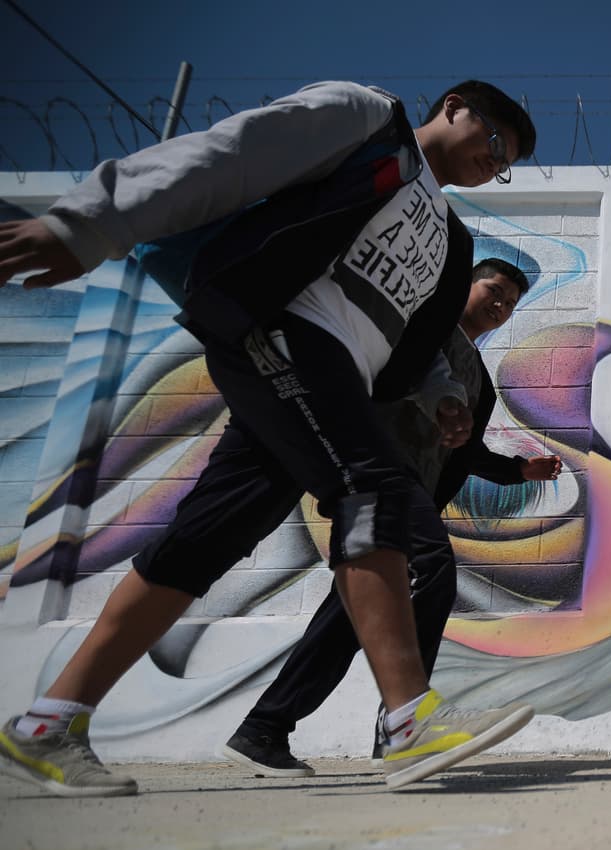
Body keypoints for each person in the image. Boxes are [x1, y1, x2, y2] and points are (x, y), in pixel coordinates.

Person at [0, 79, 536, 797]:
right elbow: (230, 156)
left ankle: (47, 723)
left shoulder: (452, 239)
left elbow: (420, 339)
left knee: (204, 541)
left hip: (331, 378)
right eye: (494, 140)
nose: (492, 162)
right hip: (282, 331)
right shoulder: (370, 122)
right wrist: (90, 224)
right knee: (373, 488)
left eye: (506, 164)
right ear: (453, 107)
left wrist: (441, 397)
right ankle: (410, 720)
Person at [223, 258, 561, 778]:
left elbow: (463, 452)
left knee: (347, 618)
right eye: (493, 290)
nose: (501, 305)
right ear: (464, 285)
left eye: (510, 303)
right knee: (433, 569)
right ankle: (405, 724)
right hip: (377, 473)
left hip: (409, 492)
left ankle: (264, 728)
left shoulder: (481, 382)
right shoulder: (417, 330)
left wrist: (519, 470)